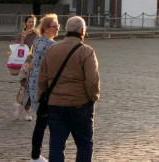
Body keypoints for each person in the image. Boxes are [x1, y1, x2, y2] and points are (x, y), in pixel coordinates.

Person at [38, 16, 100, 162]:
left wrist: (42, 99)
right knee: (84, 144)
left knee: (56, 146)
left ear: (66, 30)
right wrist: (93, 98)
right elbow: (92, 81)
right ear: (83, 31)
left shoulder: (52, 49)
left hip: (55, 104)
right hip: (79, 104)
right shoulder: (86, 51)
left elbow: (42, 78)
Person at [27, 14, 60, 162]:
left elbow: (33, 61)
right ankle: (39, 156)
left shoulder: (37, 40)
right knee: (47, 122)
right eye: (54, 26)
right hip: (46, 87)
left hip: (35, 84)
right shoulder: (51, 45)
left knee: (41, 122)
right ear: (46, 29)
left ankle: (35, 155)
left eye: (58, 25)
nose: (58, 28)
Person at [14, 14, 39, 120]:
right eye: (29, 22)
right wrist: (23, 38)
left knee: (31, 87)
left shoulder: (38, 34)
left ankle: (21, 105)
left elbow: (40, 46)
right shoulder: (21, 34)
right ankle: (23, 106)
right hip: (25, 63)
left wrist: (38, 35)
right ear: (25, 23)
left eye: (33, 22)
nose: (31, 24)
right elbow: (19, 50)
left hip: (35, 63)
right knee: (24, 85)